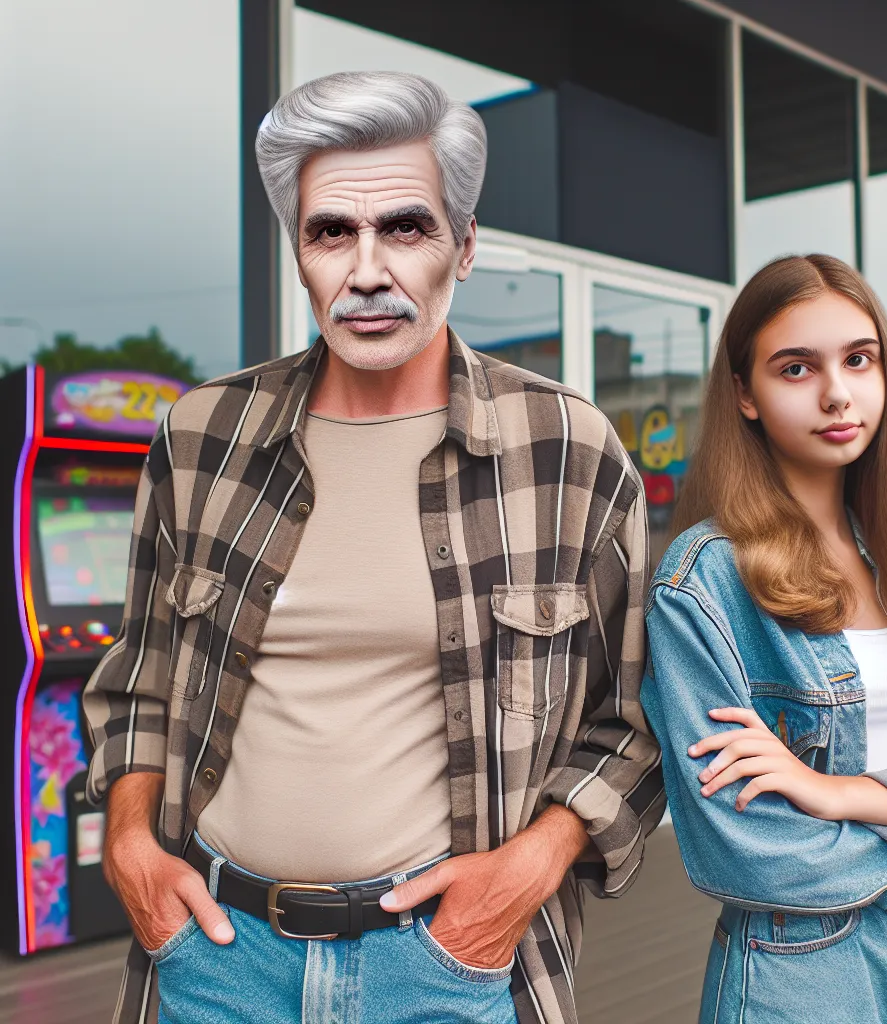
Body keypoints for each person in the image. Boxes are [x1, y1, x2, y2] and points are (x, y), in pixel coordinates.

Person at [83, 71, 663, 1024]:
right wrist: (132, 848)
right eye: (329, 233)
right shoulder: (201, 436)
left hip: (450, 964)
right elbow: (142, 674)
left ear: (463, 245)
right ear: (299, 253)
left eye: (405, 227)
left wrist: (527, 872)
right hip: (215, 959)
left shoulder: (564, 449)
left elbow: (633, 721)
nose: (365, 271)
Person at [641, 253, 887, 1022]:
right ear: (745, 395)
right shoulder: (705, 582)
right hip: (803, 979)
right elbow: (745, 851)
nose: (837, 392)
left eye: (858, 359)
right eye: (796, 368)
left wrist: (831, 791)